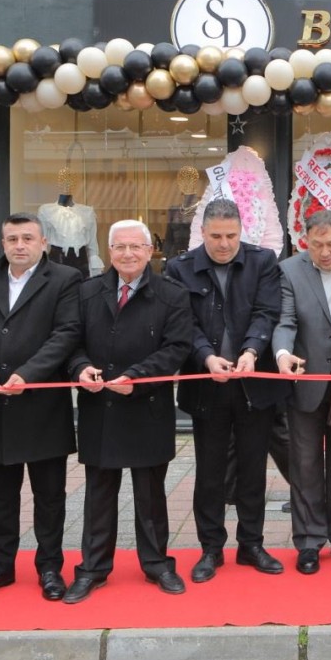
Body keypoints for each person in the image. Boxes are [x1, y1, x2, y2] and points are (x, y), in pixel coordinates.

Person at [0, 213, 82, 603]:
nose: (19, 245)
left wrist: (28, 373)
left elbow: (66, 334)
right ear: (2, 243)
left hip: (42, 407)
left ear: (43, 243)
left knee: (50, 497)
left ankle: (49, 567)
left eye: (28, 238)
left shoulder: (65, 279)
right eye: (12, 239)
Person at [65, 220, 192, 603]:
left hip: (146, 407)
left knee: (150, 496)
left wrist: (138, 377)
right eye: (120, 247)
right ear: (109, 251)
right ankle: (92, 568)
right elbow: (70, 341)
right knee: (98, 496)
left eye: (136, 246)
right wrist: (80, 367)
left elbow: (177, 348)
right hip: (99, 407)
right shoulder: (87, 292)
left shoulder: (172, 294)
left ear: (149, 251)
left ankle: (157, 564)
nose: (128, 254)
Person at [165, 199, 287, 584]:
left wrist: (251, 351)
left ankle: (251, 544)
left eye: (231, 236)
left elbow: (267, 312)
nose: (223, 244)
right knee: (210, 471)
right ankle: (211, 548)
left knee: (253, 468)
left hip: (254, 383)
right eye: (216, 236)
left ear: (241, 231)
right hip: (208, 385)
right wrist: (205, 356)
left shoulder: (262, 261)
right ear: (202, 232)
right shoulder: (180, 268)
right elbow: (182, 322)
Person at [273, 210, 331, 575]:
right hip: (307, 377)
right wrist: (282, 354)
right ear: (304, 241)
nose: (324, 252)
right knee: (305, 462)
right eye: (316, 245)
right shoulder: (290, 271)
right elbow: (286, 321)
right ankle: (309, 541)